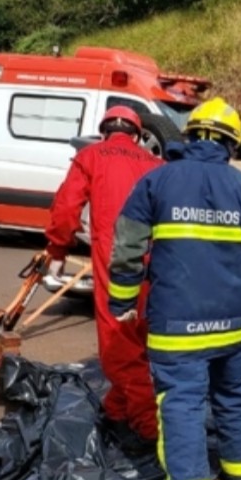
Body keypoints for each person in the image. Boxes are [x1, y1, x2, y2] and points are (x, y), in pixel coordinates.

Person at [107, 97, 241, 480]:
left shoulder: (158, 182)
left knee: (183, 405)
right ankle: (240, 467)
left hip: (177, 326)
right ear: (231, 144)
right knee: (236, 393)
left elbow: (127, 247)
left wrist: (122, 302)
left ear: (189, 137)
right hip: (235, 324)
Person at [44, 105, 163, 449]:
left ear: (104, 130)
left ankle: (146, 426)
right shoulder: (154, 163)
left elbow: (66, 208)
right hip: (153, 262)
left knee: (117, 343)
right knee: (140, 335)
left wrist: (57, 250)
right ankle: (118, 407)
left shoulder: (91, 157)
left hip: (113, 260)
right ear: (137, 134)